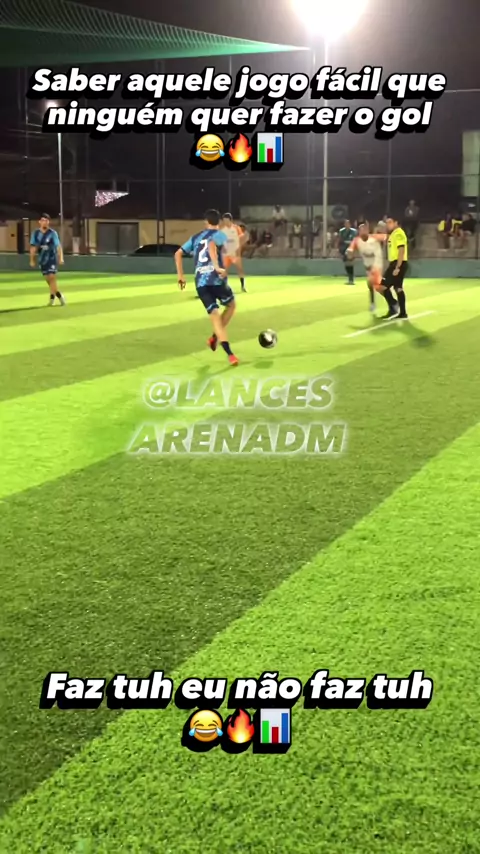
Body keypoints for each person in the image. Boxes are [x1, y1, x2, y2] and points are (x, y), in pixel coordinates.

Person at [174, 209, 238, 366]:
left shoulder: (195, 237)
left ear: (205, 222)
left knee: (214, 315)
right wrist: (216, 266)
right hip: (216, 279)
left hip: (201, 283)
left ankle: (221, 344)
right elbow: (211, 246)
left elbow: (178, 253)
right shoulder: (220, 235)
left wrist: (181, 276)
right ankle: (226, 349)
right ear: (219, 222)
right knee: (231, 305)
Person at [347, 221, 385, 313]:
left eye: (364, 230)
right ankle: (390, 301)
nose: (363, 232)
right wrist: (350, 254)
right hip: (368, 267)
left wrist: (383, 230)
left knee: (372, 283)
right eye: (361, 230)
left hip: (377, 264)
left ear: (368, 231)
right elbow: (350, 249)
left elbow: (387, 237)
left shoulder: (374, 237)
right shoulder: (356, 240)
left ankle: (386, 303)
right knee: (374, 286)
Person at [29, 213, 66, 306]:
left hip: (52, 258)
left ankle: (57, 297)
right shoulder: (36, 233)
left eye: (46, 220)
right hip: (42, 260)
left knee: (52, 277)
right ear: (39, 222)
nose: (44, 222)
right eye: (43, 220)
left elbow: (58, 246)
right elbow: (33, 247)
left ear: (48, 222)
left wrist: (61, 258)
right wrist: (32, 260)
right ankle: (55, 296)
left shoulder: (52, 233)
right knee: (49, 281)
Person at [376, 216, 408, 320]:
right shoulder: (393, 234)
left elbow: (401, 250)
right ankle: (402, 312)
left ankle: (394, 305)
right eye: (387, 222)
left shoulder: (398, 233)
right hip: (396, 263)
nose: (388, 224)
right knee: (398, 288)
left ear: (396, 222)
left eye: (390, 222)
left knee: (381, 287)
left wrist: (397, 267)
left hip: (397, 263)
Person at [221, 213, 247, 292]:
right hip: (226, 254)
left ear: (230, 220)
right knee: (224, 270)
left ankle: (243, 286)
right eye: (224, 220)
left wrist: (238, 249)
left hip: (235, 253)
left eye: (226, 220)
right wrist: (223, 249)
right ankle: (224, 287)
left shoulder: (236, 228)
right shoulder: (223, 230)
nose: (225, 222)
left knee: (240, 269)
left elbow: (242, 238)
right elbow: (222, 242)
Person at [337, 219, 358, 285]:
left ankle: (351, 279)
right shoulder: (341, 231)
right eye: (345, 224)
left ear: (350, 224)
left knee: (350, 264)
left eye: (348, 223)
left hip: (351, 249)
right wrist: (339, 249)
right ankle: (350, 278)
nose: (347, 225)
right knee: (346, 264)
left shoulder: (354, 231)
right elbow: (340, 240)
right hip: (344, 249)